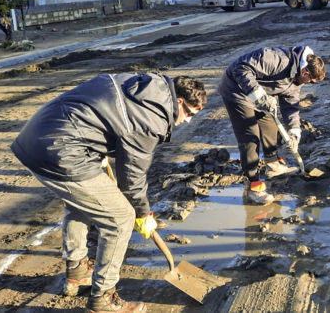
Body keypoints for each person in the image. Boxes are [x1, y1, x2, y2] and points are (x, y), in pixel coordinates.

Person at [11, 73, 207, 313]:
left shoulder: (140, 87)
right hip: (61, 151)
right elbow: (132, 179)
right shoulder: (152, 119)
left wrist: (96, 143)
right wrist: (143, 214)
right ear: (178, 102)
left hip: (38, 137)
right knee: (121, 218)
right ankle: (103, 299)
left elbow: (104, 111)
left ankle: (78, 271)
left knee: (82, 201)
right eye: (190, 113)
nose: (188, 121)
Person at [219, 46, 325, 205]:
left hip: (261, 96)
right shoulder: (276, 59)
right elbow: (240, 68)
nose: (309, 84)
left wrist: (295, 131)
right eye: (311, 81)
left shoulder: (297, 80)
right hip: (237, 91)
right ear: (305, 73)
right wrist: (258, 94)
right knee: (250, 137)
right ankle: (252, 186)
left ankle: (273, 165)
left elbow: (290, 106)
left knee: (270, 126)